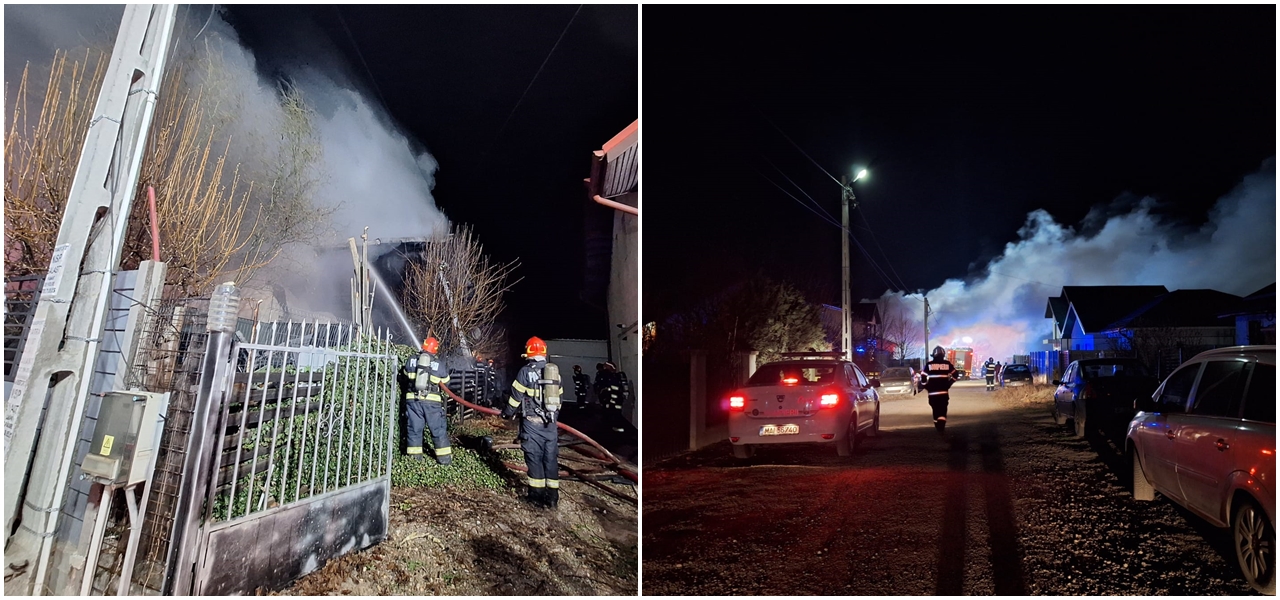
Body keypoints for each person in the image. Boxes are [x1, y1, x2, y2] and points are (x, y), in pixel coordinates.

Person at [501, 336, 563, 509]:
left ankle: (536, 497)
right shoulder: (555, 373)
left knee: (534, 459)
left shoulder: (525, 372)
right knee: (550, 460)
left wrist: (506, 414)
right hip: (550, 424)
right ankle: (552, 499)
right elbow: (560, 400)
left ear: (529, 352)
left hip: (532, 424)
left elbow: (515, 398)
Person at [404, 337, 453, 464]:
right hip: (432, 403)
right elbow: (446, 382)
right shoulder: (439, 364)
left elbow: (405, 375)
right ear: (435, 350)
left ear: (423, 346)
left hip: (413, 401)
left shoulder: (412, 360)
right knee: (438, 430)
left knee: (414, 429)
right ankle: (444, 460)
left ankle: (414, 461)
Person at [919, 345, 959, 434]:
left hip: (933, 394)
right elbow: (956, 374)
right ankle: (942, 427)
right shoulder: (947, 364)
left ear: (933, 355)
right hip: (944, 393)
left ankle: (938, 427)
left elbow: (923, 377)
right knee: (943, 410)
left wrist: (926, 386)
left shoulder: (929, 365)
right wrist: (949, 383)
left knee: (935, 410)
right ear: (943, 355)